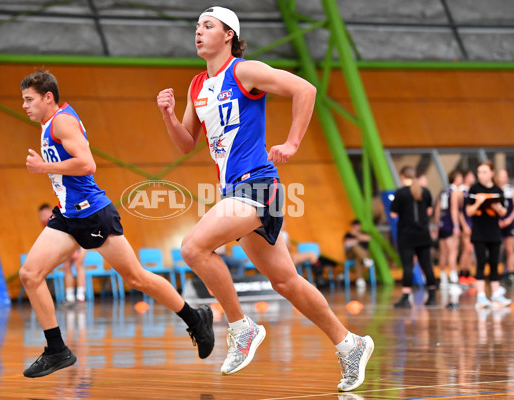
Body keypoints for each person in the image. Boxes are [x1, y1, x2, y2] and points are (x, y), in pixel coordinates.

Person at [156, 6, 373, 392]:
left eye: (208, 26)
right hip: (233, 190)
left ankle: (242, 328)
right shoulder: (196, 86)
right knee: (286, 281)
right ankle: (349, 343)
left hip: (257, 183)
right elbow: (187, 144)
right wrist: (170, 116)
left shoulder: (244, 71)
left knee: (192, 248)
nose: (198, 32)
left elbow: (305, 90)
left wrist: (291, 143)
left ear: (229, 35)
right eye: (196, 26)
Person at [19, 70, 214, 378]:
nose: (25, 106)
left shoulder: (61, 122)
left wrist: (44, 166)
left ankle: (195, 318)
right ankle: (56, 349)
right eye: (22, 101)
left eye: (29, 99)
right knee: (30, 274)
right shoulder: (49, 124)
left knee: (137, 277)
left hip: (93, 214)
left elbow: (87, 164)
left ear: (47, 97)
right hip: (68, 215)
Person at [465, 161, 511, 308]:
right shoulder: (474, 189)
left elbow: (503, 212)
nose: (481, 175)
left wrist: (496, 206)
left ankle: (496, 294)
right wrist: (479, 203)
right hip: (479, 232)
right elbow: (468, 211)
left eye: (484, 172)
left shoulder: (498, 190)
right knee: (480, 262)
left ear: (491, 173)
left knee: (494, 263)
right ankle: (481, 296)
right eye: (479, 172)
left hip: (494, 231)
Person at [390, 166, 438, 308]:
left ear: (402, 176)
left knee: (408, 266)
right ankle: (432, 296)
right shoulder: (425, 191)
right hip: (423, 234)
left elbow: (393, 214)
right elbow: (429, 211)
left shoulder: (400, 193)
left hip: (407, 235)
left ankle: (406, 297)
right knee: (427, 265)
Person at [39, 203, 87, 305]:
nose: (42, 217)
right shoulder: (46, 224)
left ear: (49, 211)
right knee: (66, 266)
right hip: (67, 242)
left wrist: (74, 250)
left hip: (80, 239)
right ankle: (70, 297)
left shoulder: (60, 215)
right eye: (41, 215)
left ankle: (81, 296)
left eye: (44, 214)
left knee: (78, 265)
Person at [435, 170, 463, 288]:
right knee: (453, 251)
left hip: (442, 223)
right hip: (450, 223)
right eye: (460, 177)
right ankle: (453, 276)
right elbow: (454, 209)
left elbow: (437, 209)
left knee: (443, 253)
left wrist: (438, 224)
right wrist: (456, 225)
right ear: (456, 179)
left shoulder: (444, 192)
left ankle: (443, 277)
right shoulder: (455, 192)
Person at [495, 169, 514, 284]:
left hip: (509, 222)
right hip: (497, 223)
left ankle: (511, 272)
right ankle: (495, 272)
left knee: (509, 249)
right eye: (501, 176)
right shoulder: (495, 190)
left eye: (505, 176)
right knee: (496, 248)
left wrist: (509, 220)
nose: (503, 178)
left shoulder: (511, 190)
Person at [343, 220, 373, 289]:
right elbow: (347, 243)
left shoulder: (363, 233)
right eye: (355, 226)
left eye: (358, 226)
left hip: (361, 255)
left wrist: (356, 235)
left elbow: (368, 238)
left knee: (358, 258)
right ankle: (366, 260)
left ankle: (360, 280)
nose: (356, 228)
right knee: (354, 246)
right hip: (351, 254)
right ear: (352, 227)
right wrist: (358, 240)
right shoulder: (348, 234)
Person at [458, 169, 476, 284]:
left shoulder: (471, 191)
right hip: (465, 224)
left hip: (472, 223)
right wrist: (464, 225)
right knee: (466, 249)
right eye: (471, 175)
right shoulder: (461, 191)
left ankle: (468, 273)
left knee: (469, 250)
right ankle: (462, 273)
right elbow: (459, 211)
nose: (473, 177)